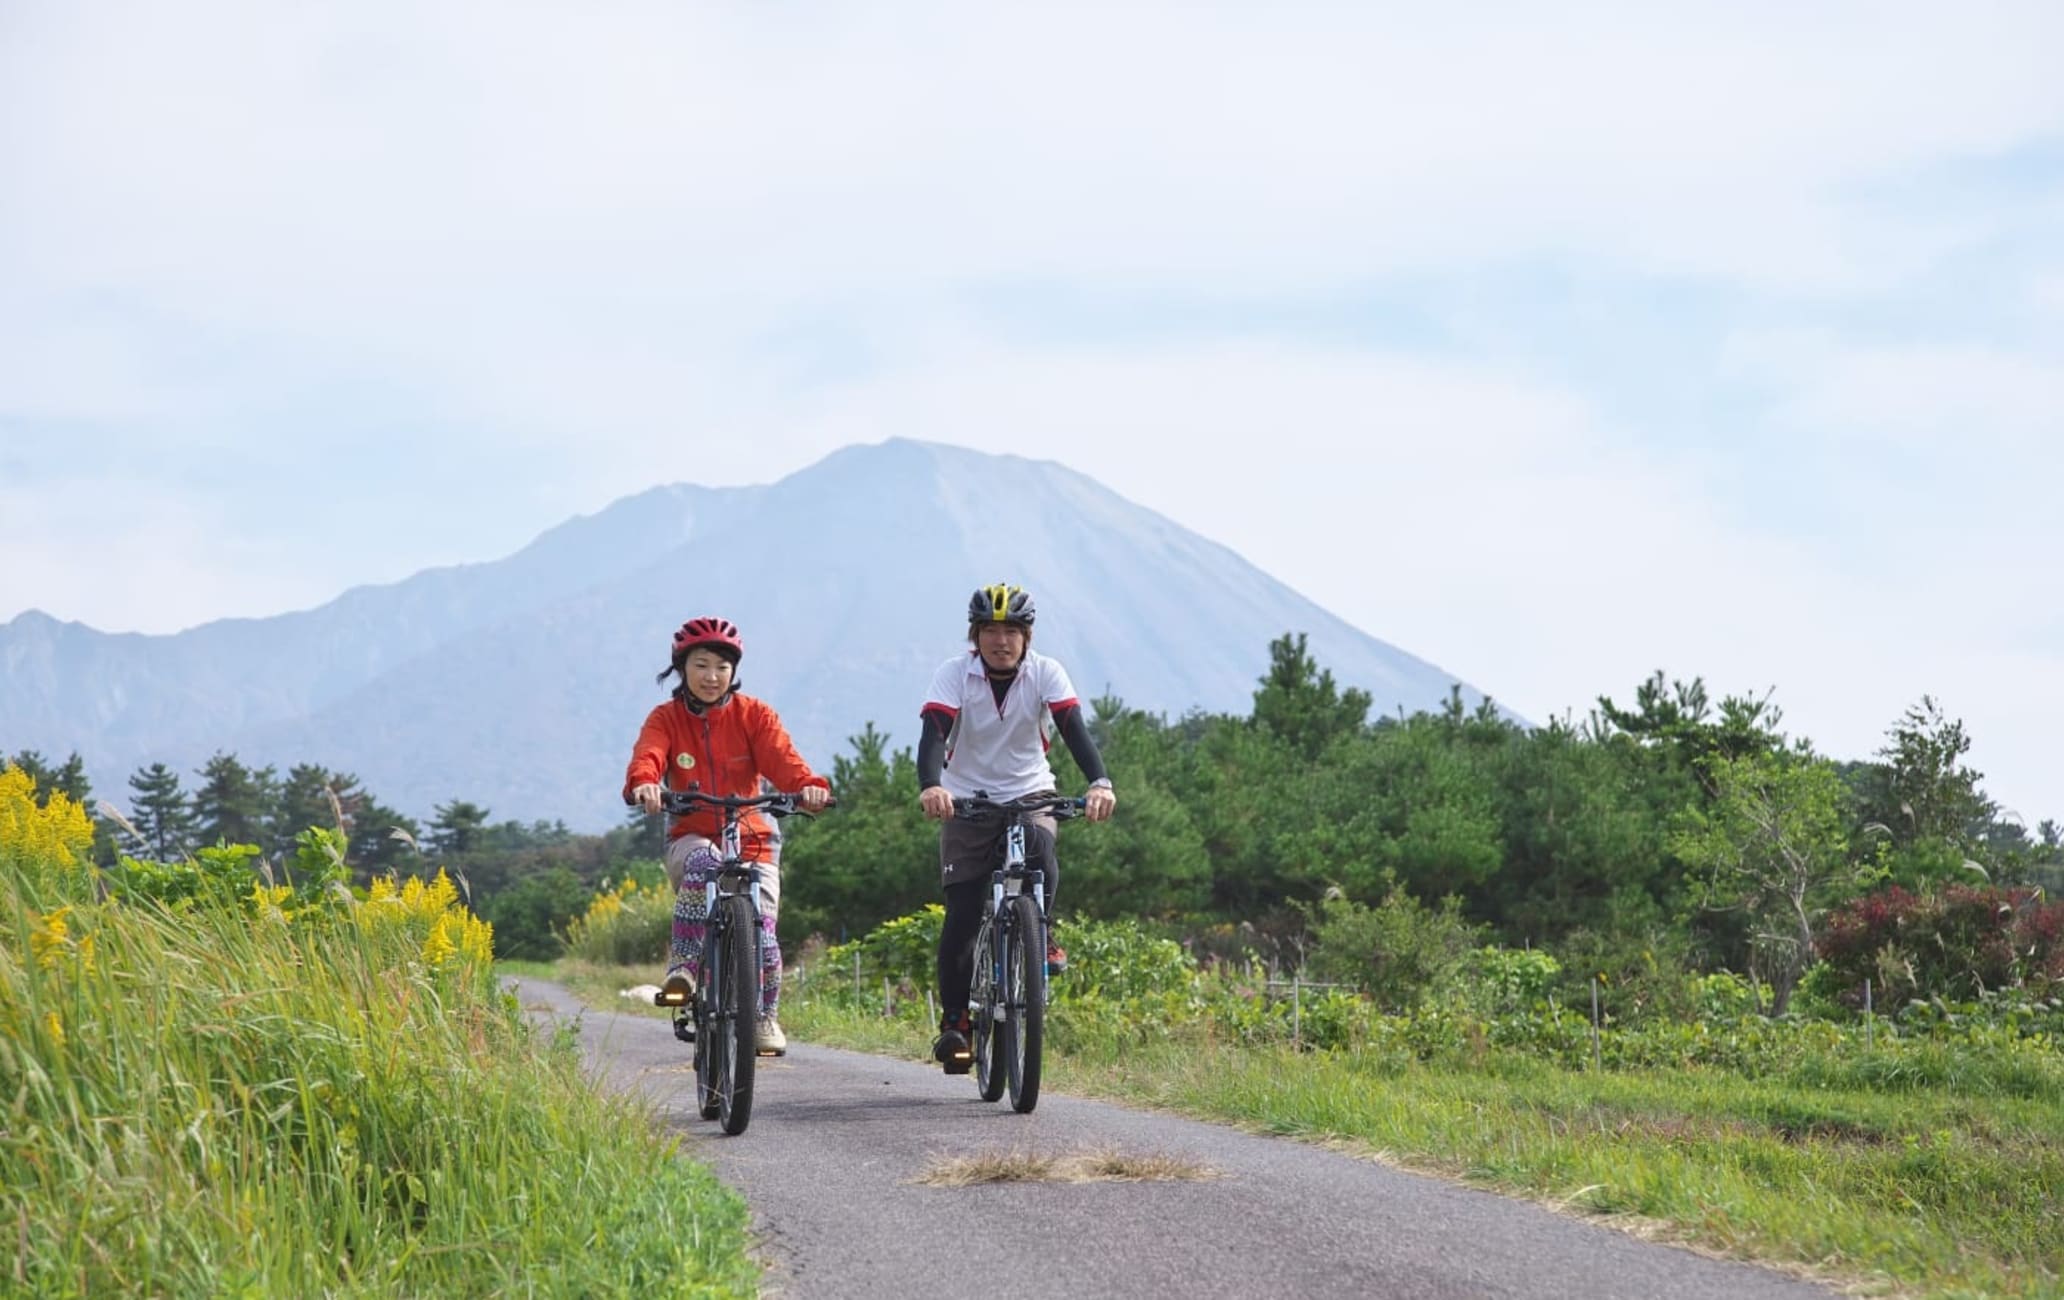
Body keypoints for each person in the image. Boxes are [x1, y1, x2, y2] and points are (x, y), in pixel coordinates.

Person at [917, 584, 1116, 1067]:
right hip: (965, 800)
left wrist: (1100, 782)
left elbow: (1072, 730)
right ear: (976, 635)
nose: (1000, 641)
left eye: (1010, 631)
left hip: (1030, 790)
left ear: (1027, 637)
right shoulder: (954, 675)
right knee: (962, 914)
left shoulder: (1046, 672)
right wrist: (931, 785)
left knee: (1039, 847)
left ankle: (1039, 934)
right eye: (989, 631)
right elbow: (933, 734)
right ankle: (956, 1023)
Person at [624, 616, 830, 1056]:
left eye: (722, 666)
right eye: (701, 665)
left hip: (754, 836)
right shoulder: (665, 718)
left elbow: (785, 763)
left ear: (734, 670)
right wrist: (645, 783)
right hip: (692, 834)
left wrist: (810, 786)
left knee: (765, 932)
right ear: (682, 668)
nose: (712, 676)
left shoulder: (755, 715)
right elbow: (649, 756)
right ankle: (683, 968)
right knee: (705, 865)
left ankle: (763, 1016)